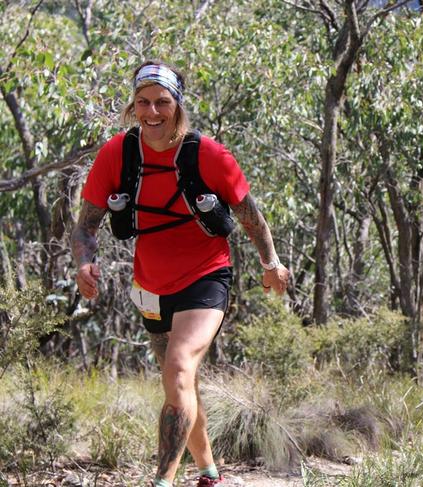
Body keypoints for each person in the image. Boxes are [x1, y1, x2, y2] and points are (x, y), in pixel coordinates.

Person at [71, 60, 290, 487]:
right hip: (150, 287)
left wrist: (271, 266)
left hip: (206, 278)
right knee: (180, 383)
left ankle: (162, 481)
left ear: (178, 105)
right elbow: (86, 224)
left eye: (162, 103)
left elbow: (251, 218)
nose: (152, 112)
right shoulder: (117, 153)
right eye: (143, 103)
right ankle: (209, 473)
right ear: (132, 107)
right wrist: (84, 263)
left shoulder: (207, 154)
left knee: (177, 367)